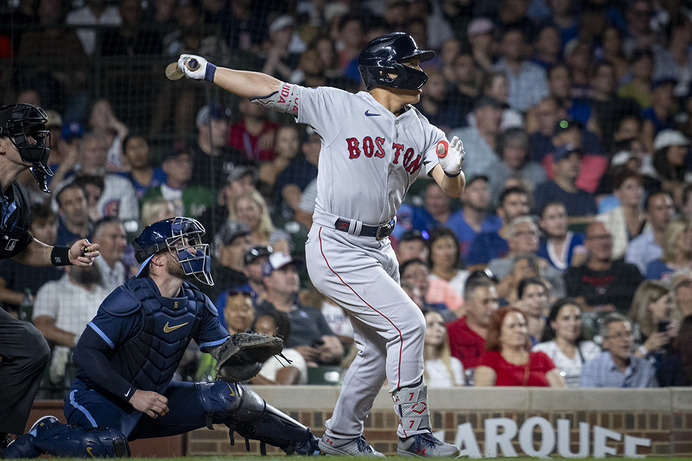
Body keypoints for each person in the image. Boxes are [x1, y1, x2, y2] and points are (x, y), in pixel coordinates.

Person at [172, 32, 464, 456]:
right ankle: (414, 436)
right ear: (387, 68)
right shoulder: (339, 105)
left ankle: (341, 437)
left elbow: (451, 189)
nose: (421, 70)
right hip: (337, 242)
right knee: (410, 325)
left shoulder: (422, 127)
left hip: (381, 249)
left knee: (381, 350)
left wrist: (453, 173)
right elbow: (270, 88)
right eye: (413, 62)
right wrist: (213, 72)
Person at [5, 217, 320, 458]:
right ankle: (42, 433)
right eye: (184, 245)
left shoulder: (196, 302)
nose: (195, 250)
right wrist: (133, 395)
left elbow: (224, 352)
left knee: (231, 397)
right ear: (156, 259)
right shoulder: (129, 298)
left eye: (194, 243)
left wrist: (240, 356)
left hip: (154, 400)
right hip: (99, 397)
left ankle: (308, 445)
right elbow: (86, 354)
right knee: (107, 446)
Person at [0, 103, 99, 454]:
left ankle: (1, 436)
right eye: (27, 133)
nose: (39, 140)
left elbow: (21, 246)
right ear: (1, 144)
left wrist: (64, 254)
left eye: (39, 133)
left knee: (30, 345)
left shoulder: (15, 199)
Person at [32, 263, 110, 396]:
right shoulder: (52, 289)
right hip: (67, 359)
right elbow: (42, 326)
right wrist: (81, 341)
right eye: (83, 258)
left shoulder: (107, 294)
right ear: (67, 266)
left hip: (105, 356)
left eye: (91, 258)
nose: (88, 263)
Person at [255, 252, 343, 367]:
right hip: (279, 373)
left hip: (317, 370)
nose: (292, 276)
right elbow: (255, 352)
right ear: (268, 280)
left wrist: (329, 352)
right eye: (284, 271)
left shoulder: (312, 312)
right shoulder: (259, 314)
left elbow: (338, 349)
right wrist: (293, 354)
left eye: (294, 271)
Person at [473, 306, 567, 387]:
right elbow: (482, 400)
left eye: (522, 325)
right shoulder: (489, 359)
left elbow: (562, 395)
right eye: (512, 326)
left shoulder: (541, 358)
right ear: (498, 334)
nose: (519, 330)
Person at [565, 222, 643, 315]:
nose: (603, 243)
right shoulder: (574, 274)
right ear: (587, 243)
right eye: (597, 238)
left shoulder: (630, 271)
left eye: (607, 237)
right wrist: (597, 309)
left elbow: (640, 304)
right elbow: (572, 306)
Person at [0, 203, 63, 315]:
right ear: (29, 232)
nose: (49, 230)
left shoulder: (64, 257)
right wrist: (31, 300)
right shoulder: (15, 258)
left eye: (52, 224)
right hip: (21, 316)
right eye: (42, 226)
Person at [532, 298, 602, 388]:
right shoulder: (541, 351)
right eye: (566, 318)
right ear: (553, 323)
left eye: (577, 318)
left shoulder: (591, 349)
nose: (573, 323)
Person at [580, 313, 659, 388]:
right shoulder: (592, 369)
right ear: (605, 342)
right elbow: (587, 401)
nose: (625, 339)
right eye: (617, 335)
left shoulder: (646, 368)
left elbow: (654, 401)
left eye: (628, 334)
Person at [446, 273, 500, 373]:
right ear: (467, 305)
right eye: (485, 302)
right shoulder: (450, 333)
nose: (492, 307)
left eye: (495, 301)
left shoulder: (506, 331)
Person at [625, 191, 676, 275]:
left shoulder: (686, 242)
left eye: (669, 207)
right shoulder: (637, 246)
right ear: (647, 216)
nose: (666, 213)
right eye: (659, 209)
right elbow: (633, 277)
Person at [537, 201, 587, 272]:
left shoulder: (583, 240)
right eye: (551, 218)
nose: (558, 222)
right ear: (542, 223)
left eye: (561, 216)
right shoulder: (540, 250)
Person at [423, 309, 463, 387]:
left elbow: (459, 397)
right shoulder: (410, 367)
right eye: (430, 324)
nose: (438, 328)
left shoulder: (455, 364)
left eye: (441, 324)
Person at [91, 217, 128, 292]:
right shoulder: (88, 268)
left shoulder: (119, 268)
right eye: (113, 237)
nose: (121, 242)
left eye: (123, 237)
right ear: (96, 240)